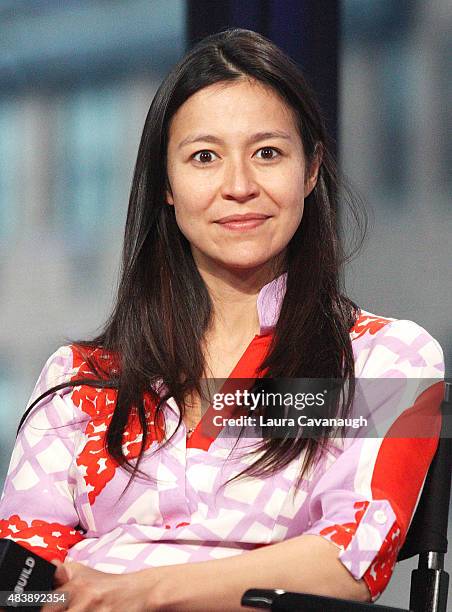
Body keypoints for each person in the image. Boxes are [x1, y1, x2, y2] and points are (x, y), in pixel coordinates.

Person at [0, 29, 444, 611]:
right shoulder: (82, 381)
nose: (239, 187)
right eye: (204, 157)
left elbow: (351, 559)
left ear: (310, 171)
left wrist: (137, 594)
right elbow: (21, 579)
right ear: (166, 184)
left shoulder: (386, 359)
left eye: (268, 153)